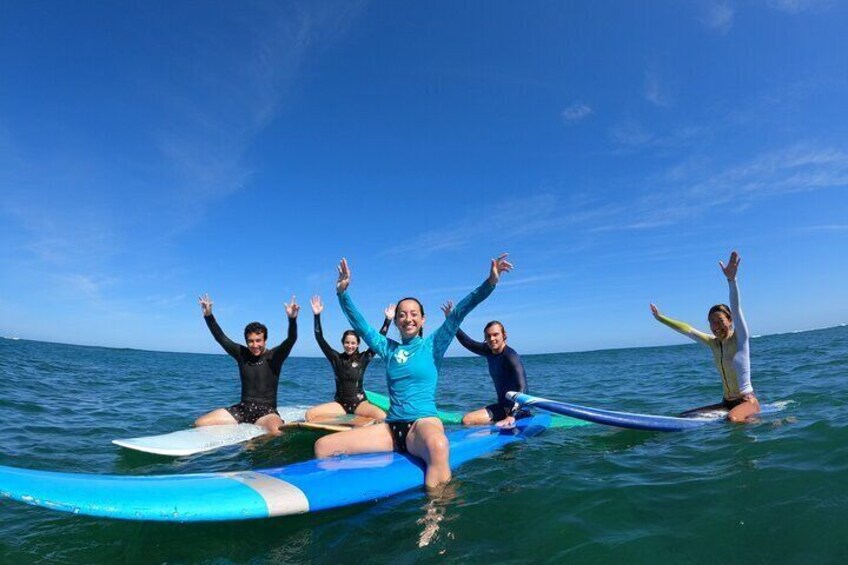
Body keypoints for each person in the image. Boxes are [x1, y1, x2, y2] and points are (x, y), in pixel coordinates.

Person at [314, 254, 513, 490]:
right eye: (402, 315)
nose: (408, 318)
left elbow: (461, 311)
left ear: (422, 319)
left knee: (439, 445)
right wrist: (342, 293)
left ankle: (434, 520)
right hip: (391, 429)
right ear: (396, 322)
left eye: (413, 314)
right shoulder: (388, 349)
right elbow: (362, 327)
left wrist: (490, 283)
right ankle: (341, 494)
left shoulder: (433, 344)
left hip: (422, 425)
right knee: (323, 446)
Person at [650, 251, 760, 423]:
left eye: (719, 321)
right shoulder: (713, 343)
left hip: (747, 402)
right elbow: (687, 329)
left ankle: (765, 423)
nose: (715, 326)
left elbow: (736, 309)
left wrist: (732, 280)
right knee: (684, 417)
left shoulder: (740, 339)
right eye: (711, 322)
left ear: (730, 321)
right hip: (726, 402)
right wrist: (660, 318)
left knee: (732, 419)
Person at [195, 293, 299, 435]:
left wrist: (292, 319)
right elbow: (220, 338)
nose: (255, 345)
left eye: (258, 340)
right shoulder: (241, 354)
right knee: (200, 423)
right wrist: (208, 316)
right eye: (251, 341)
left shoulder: (274, 357)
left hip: (266, 413)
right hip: (243, 410)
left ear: (265, 340)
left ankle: (259, 441)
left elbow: (291, 339)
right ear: (246, 341)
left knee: (276, 431)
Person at [305, 295, 394, 422]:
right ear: (343, 343)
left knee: (382, 416)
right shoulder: (336, 358)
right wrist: (316, 315)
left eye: (353, 343)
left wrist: (388, 320)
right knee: (310, 414)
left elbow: (378, 342)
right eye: (347, 342)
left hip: (360, 404)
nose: (350, 346)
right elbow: (319, 338)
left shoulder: (364, 358)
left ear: (358, 344)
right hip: (340, 404)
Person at [439, 303, 528, 427]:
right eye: (488, 336)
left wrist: (512, 416)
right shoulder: (488, 350)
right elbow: (467, 342)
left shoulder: (511, 356)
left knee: (467, 420)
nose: (492, 339)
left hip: (518, 411)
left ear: (504, 335)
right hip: (502, 408)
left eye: (495, 334)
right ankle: (492, 425)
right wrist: (452, 320)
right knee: (467, 420)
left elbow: (523, 388)